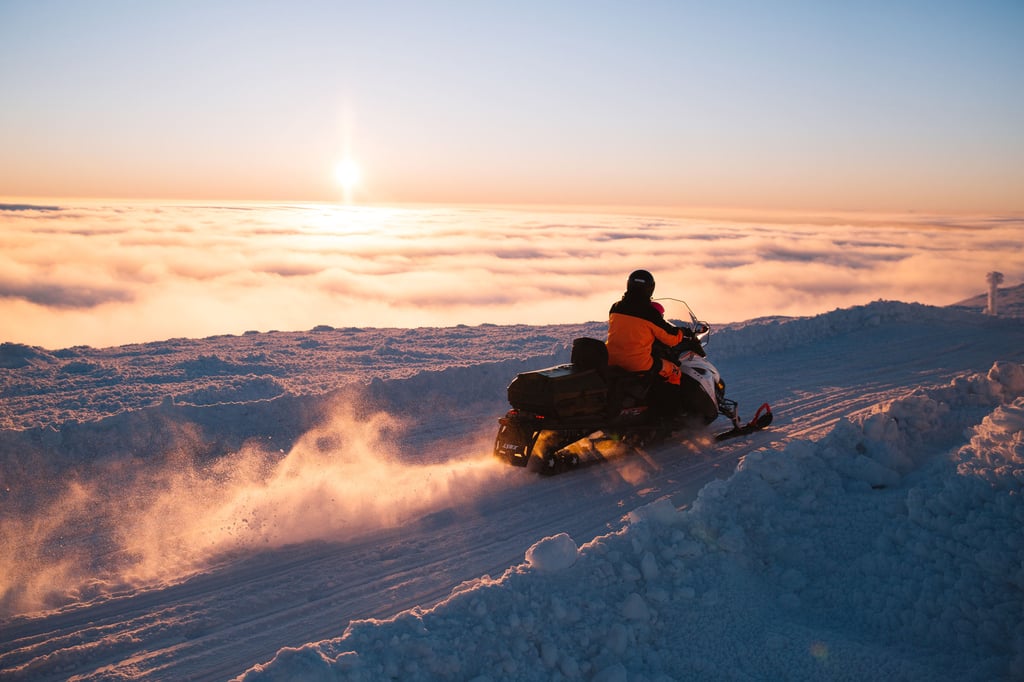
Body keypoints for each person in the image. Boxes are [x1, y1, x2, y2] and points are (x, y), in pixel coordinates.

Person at [605, 270, 691, 385]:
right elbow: (671, 338)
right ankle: (670, 402)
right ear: (650, 288)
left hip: (611, 360)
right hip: (637, 364)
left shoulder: (616, 307)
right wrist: (682, 332)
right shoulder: (650, 313)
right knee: (675, 372)